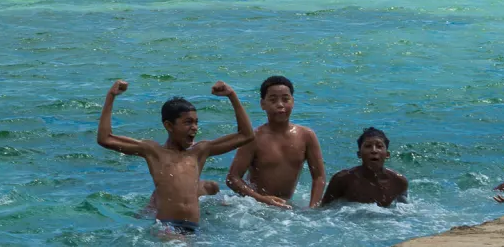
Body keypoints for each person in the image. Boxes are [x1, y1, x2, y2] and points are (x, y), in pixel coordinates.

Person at [96, 79, 255, 236]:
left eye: (196, 122)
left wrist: (232, 95)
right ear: (169, 126)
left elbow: (246, 135)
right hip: (167, 227)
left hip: (194, 228)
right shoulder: (154, 152)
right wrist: (111, 96)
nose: (194, 127)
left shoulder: (199, 151)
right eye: (188, 122)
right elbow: (105, 139)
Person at [226, 76, 328, 208]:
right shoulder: (254, 138)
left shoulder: (306, 136)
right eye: (273, 100)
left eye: (285, 99)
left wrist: (312, 209)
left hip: (287, 204)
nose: (280, 105)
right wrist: (262, 199)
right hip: (256, 206)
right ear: (263, 104)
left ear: (293, 102)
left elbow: (319, 177)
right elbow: (232, 178)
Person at [321, 127, 409, 207]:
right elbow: (324, 209)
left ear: (387, 154)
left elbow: (404, 212)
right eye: (368, 146)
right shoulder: (342, 179)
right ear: (359, 154)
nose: (374, 150)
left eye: (379, 146)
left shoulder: (399, 182)